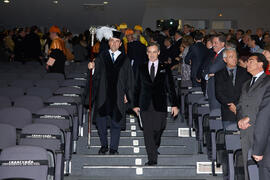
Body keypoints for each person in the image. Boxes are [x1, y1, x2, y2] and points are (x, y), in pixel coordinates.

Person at [87, 27, 134, 155]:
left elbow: (129, 79)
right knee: (101, 123)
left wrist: (127, 94)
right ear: (108, 42)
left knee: (116, 122)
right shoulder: (102, 57)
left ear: (120, 44)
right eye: (112, 41)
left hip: (118, 95)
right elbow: (96, 77)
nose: (114, 43)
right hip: (103, 94)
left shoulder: (125, 59)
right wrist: (92, 69)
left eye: (117, 41)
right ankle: (104, 145)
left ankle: (114, 148)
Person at [133, 42, 179, 166]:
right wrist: (135, 104)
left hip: (160, 104)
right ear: (147, 53)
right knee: (147, 131)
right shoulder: (141, 67)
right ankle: (152, 158)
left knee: (158, 129)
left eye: (154, 52)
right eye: (149, 52)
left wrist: (175, 104)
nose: (152, 55)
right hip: (144, 104)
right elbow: (136, 86)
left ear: (158, 52)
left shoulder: (165, 67)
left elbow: (171, 87)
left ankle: (155, 145)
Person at [237, 53, 270, 180]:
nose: (248, 63)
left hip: (262, 131)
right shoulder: (246, 84)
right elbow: (240, 105)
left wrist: (249, 118)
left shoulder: (268, 82)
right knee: (248, 168)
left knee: (264, 169)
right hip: (246, 131)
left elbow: (265, 108)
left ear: (261, 64)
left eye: (251, 60)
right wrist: (240, 119)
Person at [215, 48, 251, 122]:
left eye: (235, 56)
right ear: (225, 59)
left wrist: (237, 106)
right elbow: (219, 93)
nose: (234, 59)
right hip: (227, 109)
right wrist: (230, 105)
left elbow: (248, 91)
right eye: (231, 57)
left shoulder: (245, 72)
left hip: (243, 109)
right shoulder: (219, 74)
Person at [202, 34, 226, 110]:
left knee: (215, 113)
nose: (213, 45)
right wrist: (207, 75)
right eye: (213, 43)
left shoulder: (224, 54)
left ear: (222, 44)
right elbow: (205, 70)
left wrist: (209, 73)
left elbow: (212, 69)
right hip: (212, 88)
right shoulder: (215, 55)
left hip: (217, 89)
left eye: (216, 43)